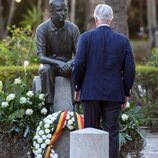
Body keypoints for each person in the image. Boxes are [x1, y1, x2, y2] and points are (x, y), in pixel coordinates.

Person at [72, 4, 135, 158]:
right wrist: (126, 92)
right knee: (112, 133)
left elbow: (78, 64)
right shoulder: (123, 41)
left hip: (90, 92)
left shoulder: (85, 38)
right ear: (111, 20)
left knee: (90, 132)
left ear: (95, 19)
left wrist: (77, 86)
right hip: (114, 94)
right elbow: (130, 70)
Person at [36, 0, 80, 113]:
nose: (63, 13)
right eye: (59, 10)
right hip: (51, 65)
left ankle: (76, 106)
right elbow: (41, 57)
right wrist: (59, 63)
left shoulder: (73, 29)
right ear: (51, 11)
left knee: (78, 68)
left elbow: (79, 54)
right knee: (45, 69)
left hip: (68, 65)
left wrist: (69, 63)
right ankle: (49, 107)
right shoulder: (42, 29)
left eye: (65, 10)